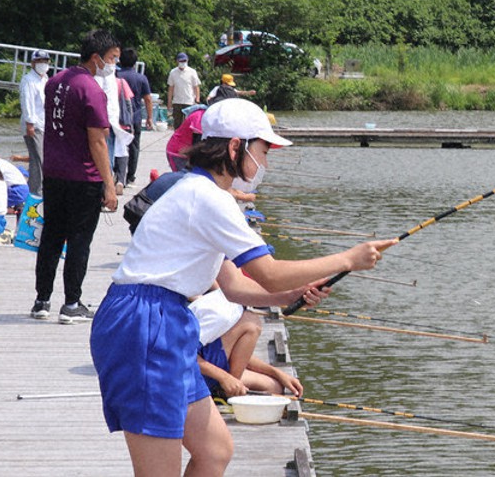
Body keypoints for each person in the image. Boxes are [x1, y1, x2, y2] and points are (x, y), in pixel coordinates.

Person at [89, 98, 396, 475]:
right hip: (146, 323)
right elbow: (268, 272)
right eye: (262, 151)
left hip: (162, 320)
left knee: (215, 450)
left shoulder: (195, 191)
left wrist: (289, 296)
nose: (264, 163)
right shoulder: (209, 198)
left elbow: (233, 285)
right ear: (235, 146)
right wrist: (349, 259)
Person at [31, 29, 119, 324]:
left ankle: (42, 300)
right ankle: (71, 303)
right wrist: (110, 185)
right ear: (96, 58)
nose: (112, 65)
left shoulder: (54, 82)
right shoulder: (92, 90)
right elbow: (97, 141)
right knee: (79, 240)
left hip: (54, 174)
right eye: (111, 59)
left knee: (51, 238)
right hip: (84, 177)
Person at [192, 291, 304, 399]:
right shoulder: (223, 313)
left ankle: (225, 387)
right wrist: (225, 378)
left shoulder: (235, 302)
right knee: (251, 324)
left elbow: (239, 354)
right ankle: (228, 391)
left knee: (274, 387)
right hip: (187, 374)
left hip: (205, 366)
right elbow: (185, 355)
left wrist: (278, 373)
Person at [96, 53, 134, 196]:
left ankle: (109, 186)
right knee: (116, 155)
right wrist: (130, 124)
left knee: (107, 156)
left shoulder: (111, 80)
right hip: (116, 123)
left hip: (110, 123)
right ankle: (118, 182)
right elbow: (128, 104)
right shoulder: (119, 82)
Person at [117, 48, 153, 187]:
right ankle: (130, 176)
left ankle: (117, 174)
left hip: (118, 117)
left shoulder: (116, 75)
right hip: (135, 117)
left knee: (118, 146)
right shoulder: (141, 78)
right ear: (135, 62)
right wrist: (149, 117)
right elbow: (148, 99)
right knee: (134, 148)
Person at [19, 50, 49, 196]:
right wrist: (29, 124)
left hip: (44, 125)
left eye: (45, 61)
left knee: (42, 159)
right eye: (39, 61)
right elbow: (27, 103)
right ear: (33, 63)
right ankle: (35, 192)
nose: (43, 64)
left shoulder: (45, 79)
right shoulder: (28, 80)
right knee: (38, 160)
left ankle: (38, 189)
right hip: (33, 126)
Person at [165, 104, 206, 172]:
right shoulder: (200, 115)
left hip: (188, 151)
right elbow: (197, 143)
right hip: (178, 153)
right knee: (183, 178)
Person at [166, 52, 200, 129]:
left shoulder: (192, 72)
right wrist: (169, 102)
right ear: (177, 61)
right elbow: (171, 88)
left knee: (189, 124)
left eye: (184, 61)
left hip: (189, 101)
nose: (182, 63)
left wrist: (197, 99)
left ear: (187, 61)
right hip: (177, 101)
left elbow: (196, 87)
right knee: (177, 124)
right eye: (181, 61)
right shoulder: (173, 72)